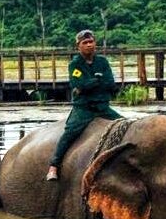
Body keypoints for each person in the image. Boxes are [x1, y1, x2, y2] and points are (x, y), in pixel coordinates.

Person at [46, 29, 121, 181]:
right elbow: (78, 84)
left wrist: (89, 84)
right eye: (85, 43)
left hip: (102, 107)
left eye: (91, 42)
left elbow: (110, 84)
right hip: (84, 108)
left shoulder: (102, 62)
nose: (89, 45)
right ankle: (53, 166)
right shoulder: (75, 64)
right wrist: (95, 82)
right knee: (70, 133)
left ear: (95, 43)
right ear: (78, 46)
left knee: (125, 124)